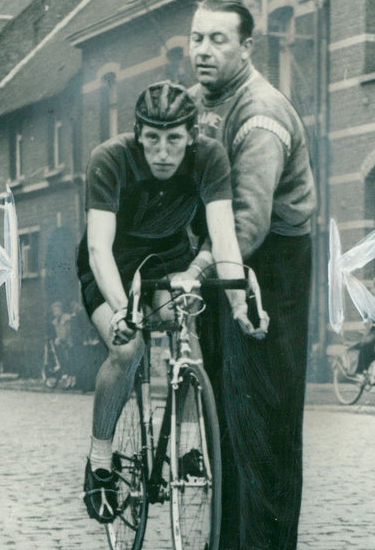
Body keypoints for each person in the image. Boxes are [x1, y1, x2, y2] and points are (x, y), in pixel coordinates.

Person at [77, 80, 258, 522]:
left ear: (191, 135)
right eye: (152, 138)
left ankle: (190, 445)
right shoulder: (110, 159)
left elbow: (222, 234)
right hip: (112, 266)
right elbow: (99, 247)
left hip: (169, 260)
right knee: (128, 348)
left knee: (185, 330)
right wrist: (122, 310)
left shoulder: (210, 156)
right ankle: (100, 460)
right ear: (138, 133)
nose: (162, 151)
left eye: (173, 139)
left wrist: (238, 303)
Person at [189, 0, 317, 550]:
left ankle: (266, 548)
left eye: (218, 40)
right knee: (220, 401)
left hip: (271, 263)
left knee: (261, 402)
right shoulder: (200, 105)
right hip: (224, 260)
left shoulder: (261, 112)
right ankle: (229, 538)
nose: (203, 51)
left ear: (246, 48)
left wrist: (198, 267)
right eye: (197, 39)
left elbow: (247, 219)